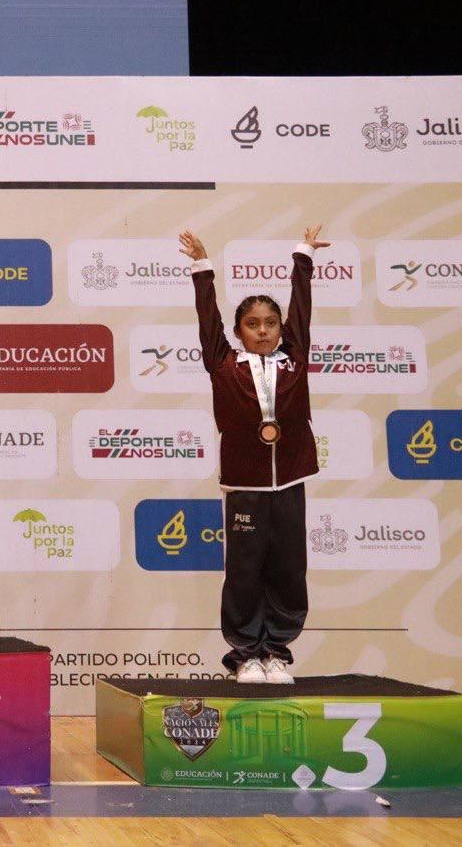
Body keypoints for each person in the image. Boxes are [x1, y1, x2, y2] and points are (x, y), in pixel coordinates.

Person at [179, 225, 329, 684]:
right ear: (239, 331)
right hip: (244, 483)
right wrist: (202, 266)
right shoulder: (223, 363)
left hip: (290, 480)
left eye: (270, 324)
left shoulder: (294, 358)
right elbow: (207, 318)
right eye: (252, 324)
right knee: (244, 571)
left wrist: (303, 256)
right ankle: (245, 655)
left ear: (281, 329)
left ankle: (278, 654)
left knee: (287, 568)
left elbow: (302, 306)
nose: (262, 331)